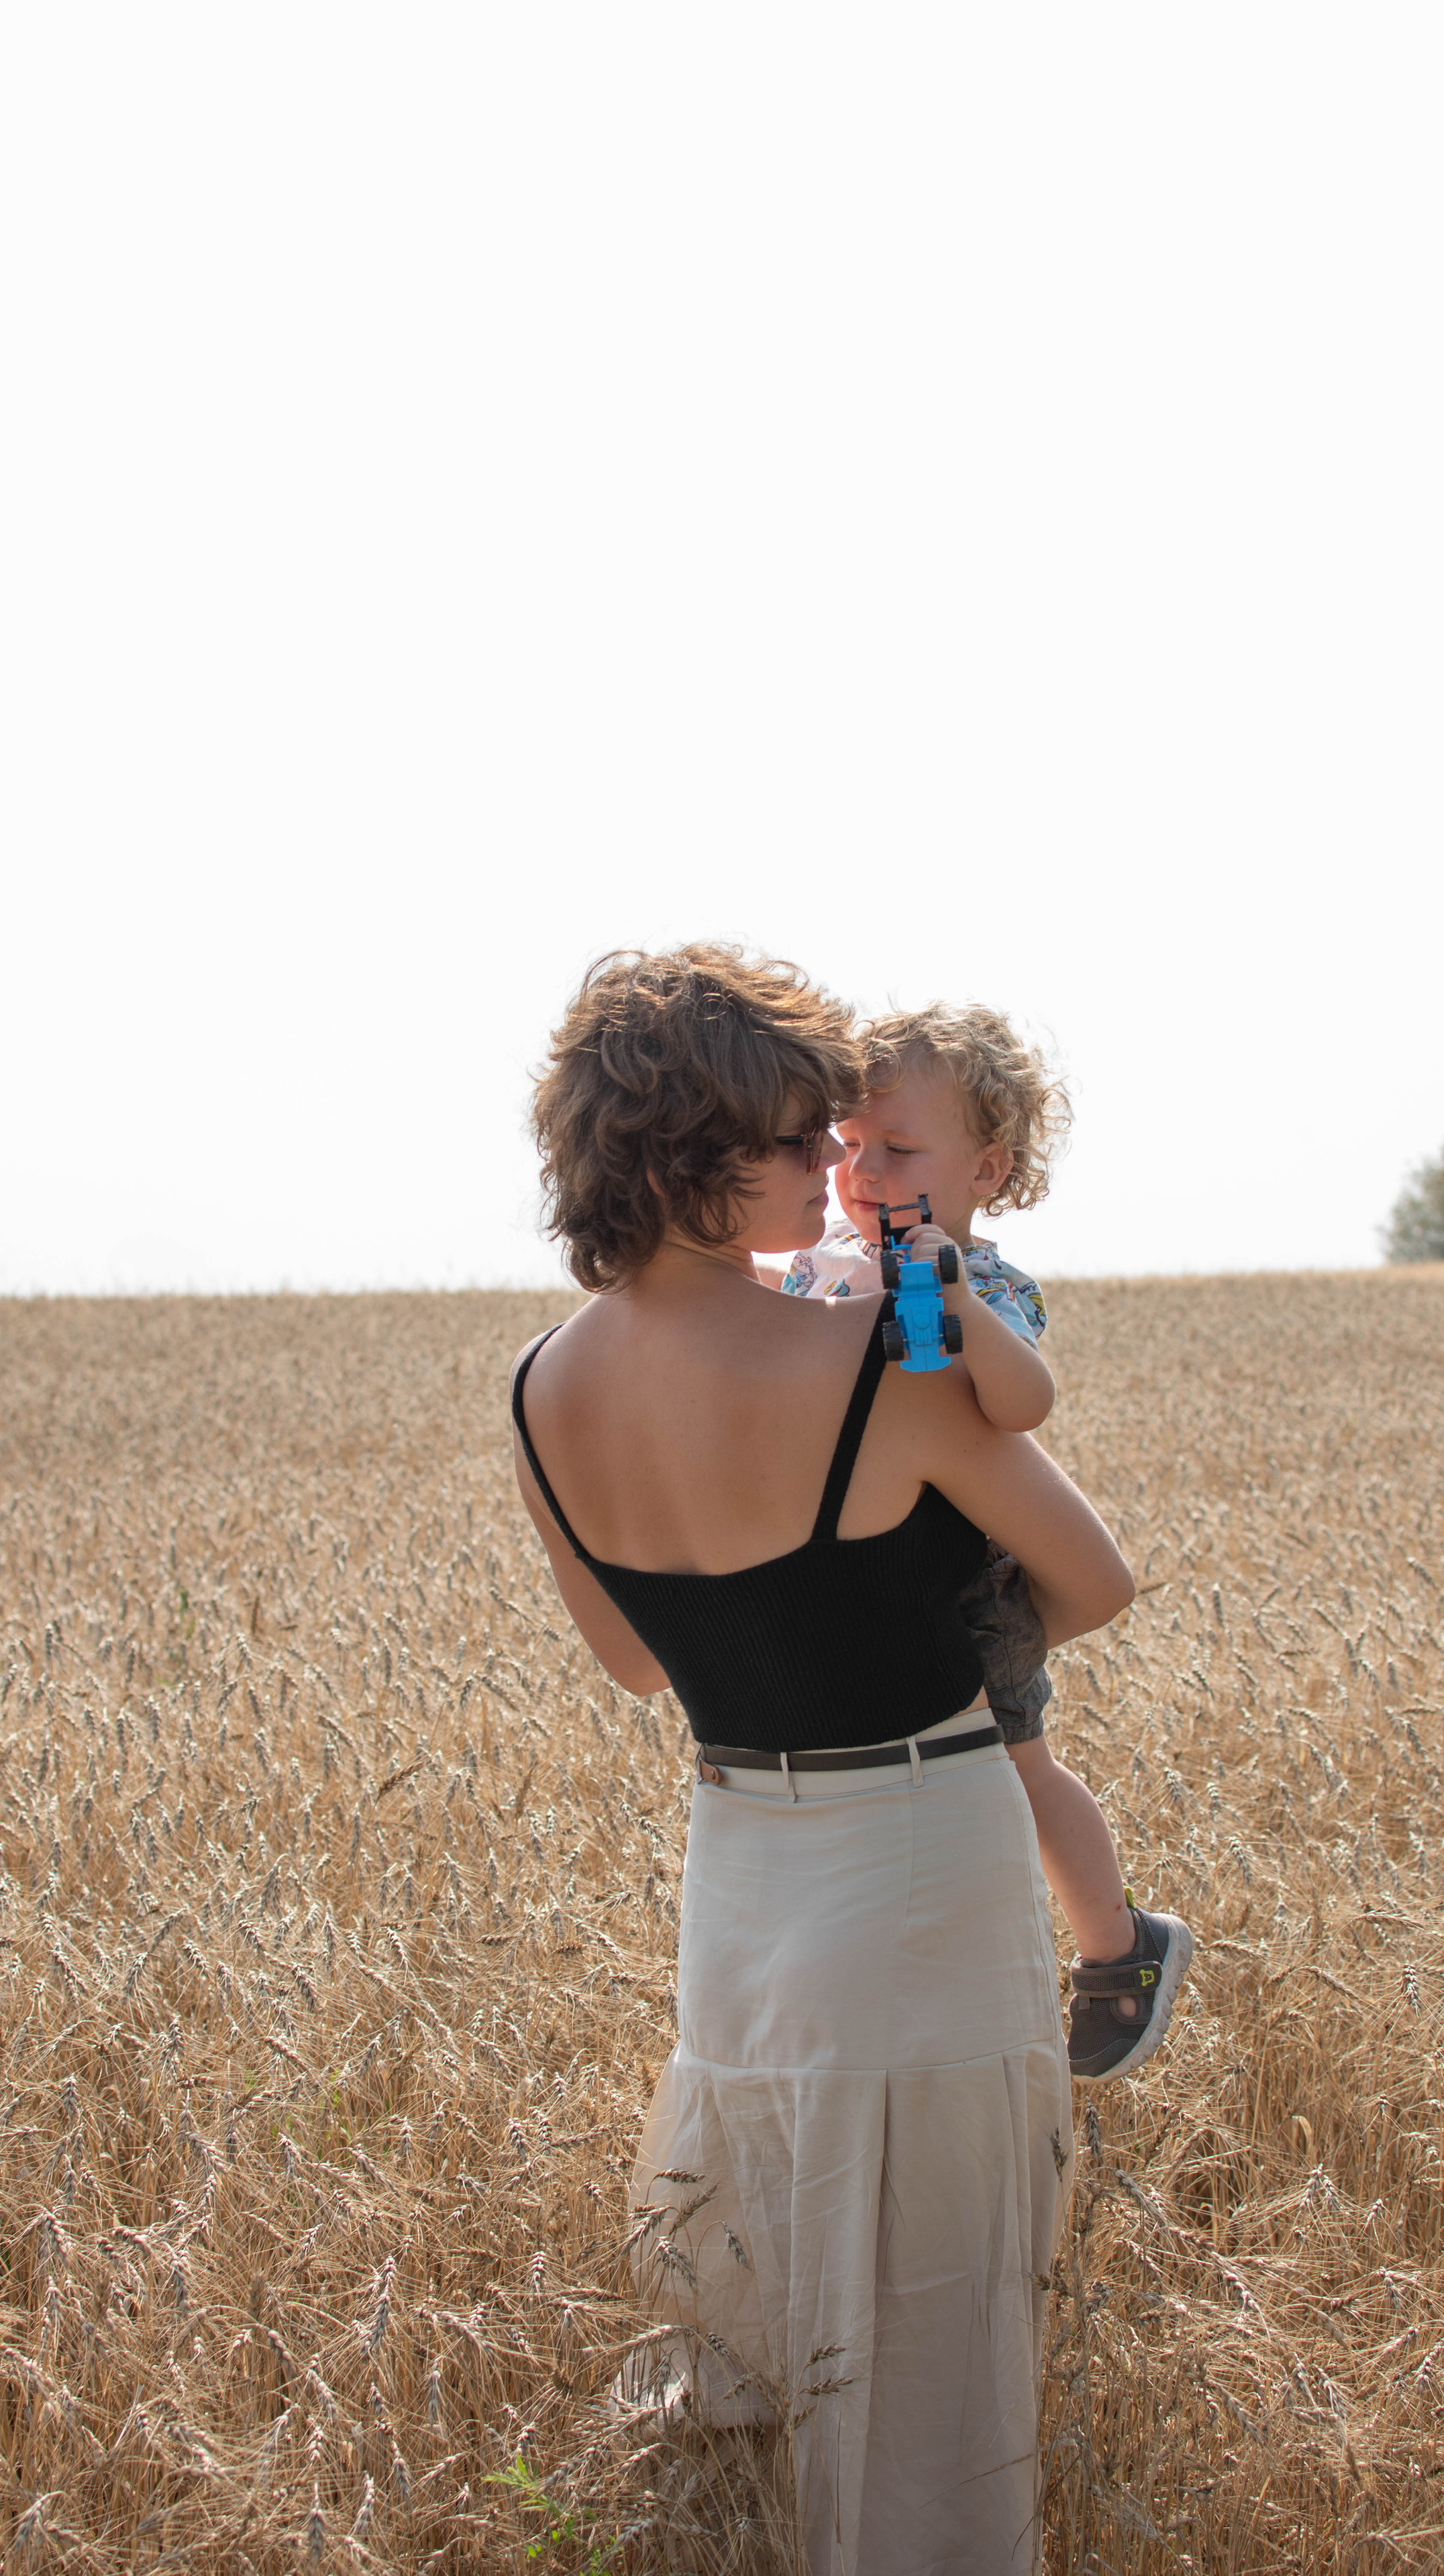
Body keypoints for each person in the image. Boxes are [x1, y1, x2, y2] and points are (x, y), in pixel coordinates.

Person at [511, 945, 1136, 2576]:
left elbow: (636, 1662)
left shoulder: (534, 1391)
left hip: (737, 1883)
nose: (832, 1164)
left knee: (765, 2276)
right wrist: (945, 1659)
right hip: (923, 1854)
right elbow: (1095, 1583)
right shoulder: (883, 1361)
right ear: (683, 1154)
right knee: (930, 2325)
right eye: (796, 1137)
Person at [777, 1002, 1191, 2081]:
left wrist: (957, 1305)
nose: (863, 1173)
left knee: (1016, 1766)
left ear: (988, 1169)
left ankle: (1120, 1947)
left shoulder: (982, 1285)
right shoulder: (813, 1271)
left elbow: (1023, 1407)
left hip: (967, 1583)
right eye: (851, 1147)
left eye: (900, 1149)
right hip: (854, 1577)